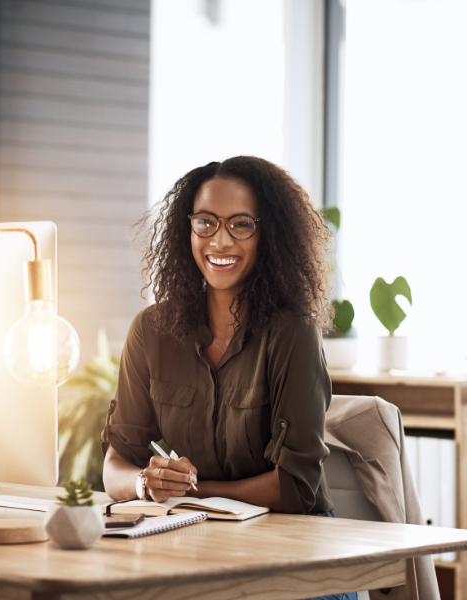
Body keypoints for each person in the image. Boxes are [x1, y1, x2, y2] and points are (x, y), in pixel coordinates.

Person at [101, 156, 355, 600]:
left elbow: (295, 487)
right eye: (206, 223)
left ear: (268, 235)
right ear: (188, 229)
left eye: (241, 225)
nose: (220, 240)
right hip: (192, 548)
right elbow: (116, 465)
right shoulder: (150, 331)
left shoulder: (291, 333)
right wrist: (147, 483)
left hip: (298, 558)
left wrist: (191, 492)